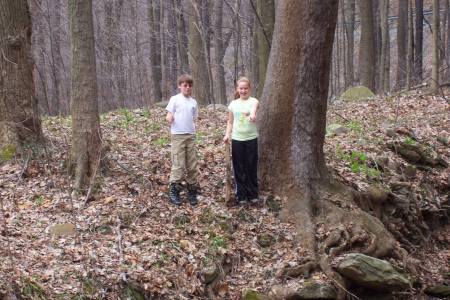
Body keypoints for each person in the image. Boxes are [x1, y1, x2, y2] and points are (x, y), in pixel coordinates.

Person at [223, 77, 259, 205]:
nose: (243, 90)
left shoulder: (253, 101)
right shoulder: (233, 104)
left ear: (249, 89)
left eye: (246, 88)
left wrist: (253, 115)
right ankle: (241, 195)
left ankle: (253, 194)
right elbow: (230, 121)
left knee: (251, 166)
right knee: (239, 167)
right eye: (241, 88)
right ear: (237, 89)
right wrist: (227, 135)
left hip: (251, 138)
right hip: (237, 139)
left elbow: (254, 110)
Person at [165, 74, 199, 206]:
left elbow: (194, 117)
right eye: (185, 85)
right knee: (178, 164)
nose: (187, 88)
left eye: (190, 85)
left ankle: (192, 190)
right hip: (177, 136)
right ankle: (174, 189)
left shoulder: (193, 102)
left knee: (192, 164)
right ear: (180, 86)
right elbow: (169, 113)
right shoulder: (175, 99)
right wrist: (169, 117)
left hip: (190, 135)